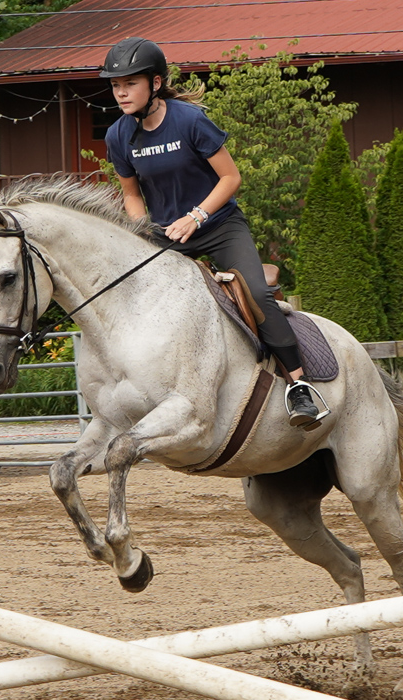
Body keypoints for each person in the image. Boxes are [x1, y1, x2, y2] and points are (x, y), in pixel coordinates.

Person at [100, 36, 324, 428]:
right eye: (116, 85)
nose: (121, 92)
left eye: (130, 83)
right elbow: (132, 195)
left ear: (155, 83)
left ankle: (299, 386)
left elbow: (231, 178)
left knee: (257, 294)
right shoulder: (117, 136)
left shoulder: (189, 121)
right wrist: (141, 233)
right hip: (166, 235)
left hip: (219, 226)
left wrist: (197, 216)